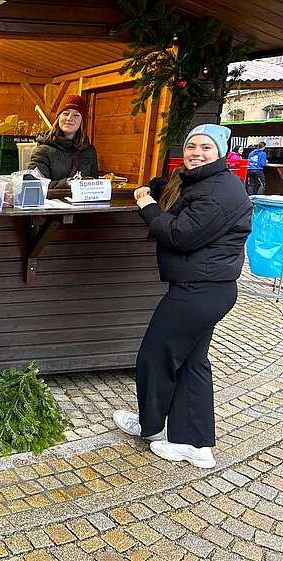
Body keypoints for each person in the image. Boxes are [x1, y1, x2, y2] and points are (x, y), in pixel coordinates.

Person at [113, 124, 252, 469]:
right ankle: (196, 446)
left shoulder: (220, 191)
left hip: (199, 290)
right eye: (192, 146)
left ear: (220, 151)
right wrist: (154, 187)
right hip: (209, 289)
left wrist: (147, 206)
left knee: (154, 357)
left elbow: (179, 235)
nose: (197, 153)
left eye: (206, 147)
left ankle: (151, 427)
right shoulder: (204, 180)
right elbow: (174, 185)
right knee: (192, 363)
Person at [27, 94, 98, 189]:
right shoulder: (42, 151)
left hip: (81, 203)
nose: (69, 118)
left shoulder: (89, 151)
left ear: (82, 121)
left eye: (76, 115)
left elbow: (95, 185)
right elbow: (36, 186)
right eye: (65, 113)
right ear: (58, 117)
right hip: (52, 203)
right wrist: (68, 183)